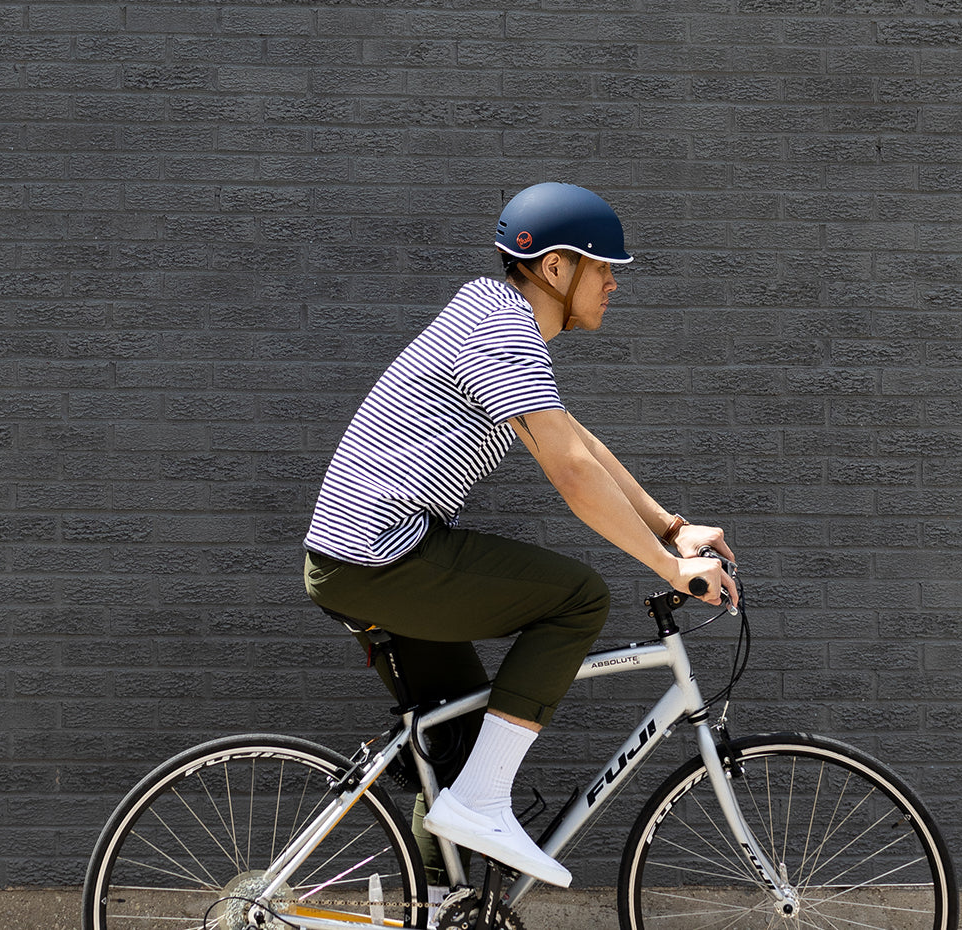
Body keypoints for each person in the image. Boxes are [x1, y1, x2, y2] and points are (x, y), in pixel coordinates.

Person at [302, 182, 737, 887]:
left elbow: (573, 441)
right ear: (555, 269)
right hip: (381, 555)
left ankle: (436, 900)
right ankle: (478, 804)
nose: (612, 284)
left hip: (364, 557)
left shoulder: (495, 317)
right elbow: (568, 471)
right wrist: (664, 565)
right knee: (577, 599)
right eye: (602, 269)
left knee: (465, 740)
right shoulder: (501, 330)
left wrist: (670, 526)